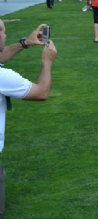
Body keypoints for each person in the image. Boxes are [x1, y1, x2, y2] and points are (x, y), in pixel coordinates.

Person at [0, 20, 58, 217]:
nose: (4, 34)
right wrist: (47, 62)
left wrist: (25, 43)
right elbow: (41, 93)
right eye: (1, 30)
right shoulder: (2, 77)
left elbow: (1, 56)